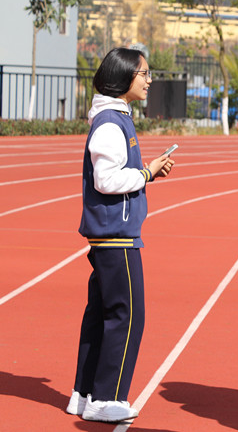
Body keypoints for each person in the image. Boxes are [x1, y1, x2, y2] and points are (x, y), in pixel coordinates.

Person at [68, 47, 175, 423]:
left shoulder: (114, 118)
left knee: (101, 314)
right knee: (127, 316)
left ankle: (84, 394)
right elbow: (107, 179)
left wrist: (147, 170)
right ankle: (107, 397)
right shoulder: (111, 122)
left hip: (112, 232)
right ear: (124, 76)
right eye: (143, 73)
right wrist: (145, 175)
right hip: (116, 234)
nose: (148, 80)